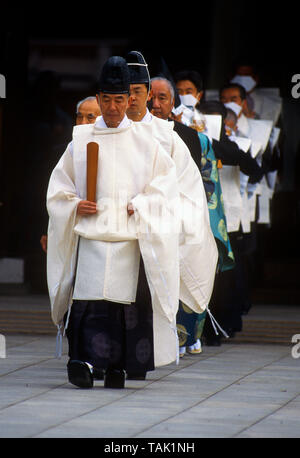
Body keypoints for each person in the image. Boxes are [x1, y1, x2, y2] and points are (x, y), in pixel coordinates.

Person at [47, 55, 186, 389]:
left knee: (123, 308)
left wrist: (140, 204)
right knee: (89, 301)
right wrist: (76, 203)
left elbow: (166, 189)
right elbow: (57, 189)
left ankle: (117, 367)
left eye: (119, 99)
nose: (112, 107)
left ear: (130, 99)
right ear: (98, 99)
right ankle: (81, 362)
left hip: (128, 239)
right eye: (106, 100)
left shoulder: (147, 143)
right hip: (92, 237)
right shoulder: (80, 140)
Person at [125, 53, 219, 357]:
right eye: (122, 93)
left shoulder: (169, 137)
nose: (129, 100)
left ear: (148, 95)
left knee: (148, 296)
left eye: (136, 92)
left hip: (155, 226)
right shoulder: (101, 131)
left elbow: (187, 189)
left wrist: (149, 206)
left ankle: (149, 353)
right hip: (115, 229)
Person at [149, 75, 233, 354]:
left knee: (189, 270)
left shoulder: (192, 137)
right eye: (151, 96)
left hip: (185, 217)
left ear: (173, 103)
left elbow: (207, 182)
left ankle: (186, 335)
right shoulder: (133, 132)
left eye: (162, 97)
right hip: (147, 219)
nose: (155, 103)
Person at [40, 96, 101, 253]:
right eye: (79, 116)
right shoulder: (62, 151)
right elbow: (49, 193)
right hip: (67, 229)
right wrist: (46, 230)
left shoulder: (114, 148)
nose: (83, 123)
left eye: (90, 117)